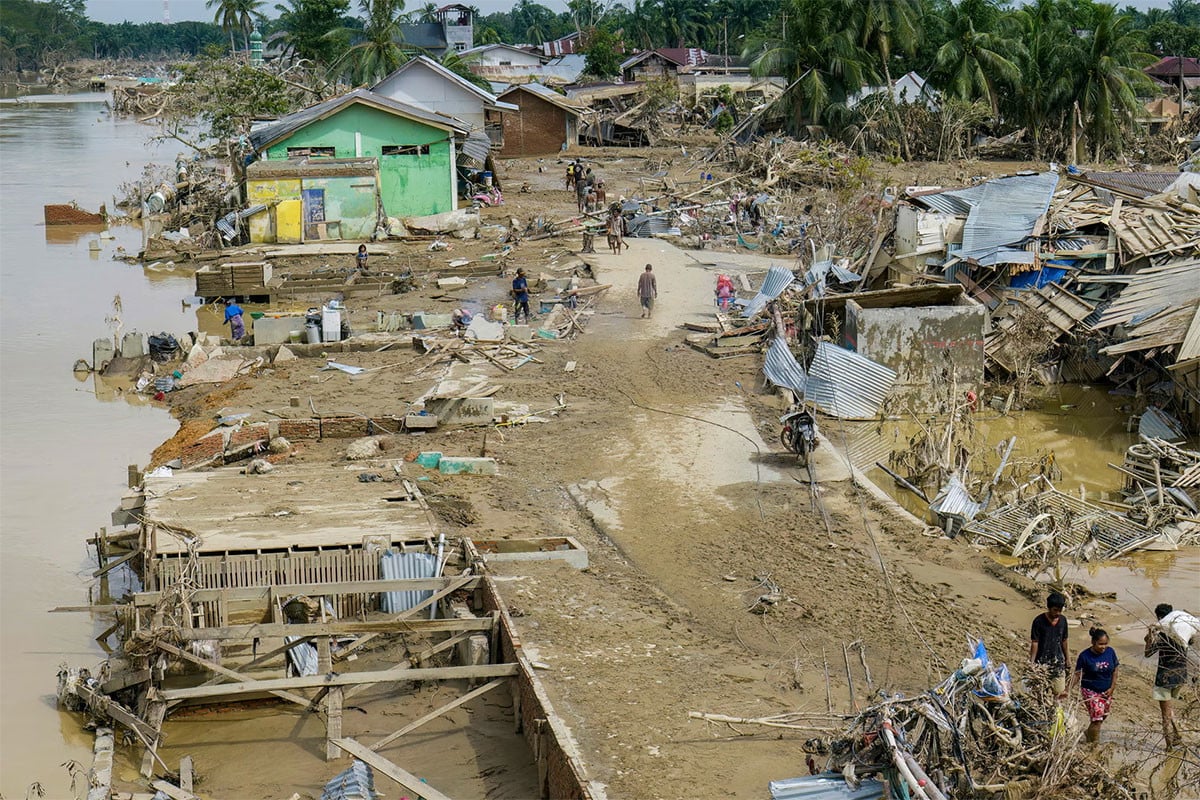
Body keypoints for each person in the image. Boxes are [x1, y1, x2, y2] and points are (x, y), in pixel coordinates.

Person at [1145, 603, 1190, 748]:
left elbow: (1148, 653)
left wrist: (1149, 637)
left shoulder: (1163, 636)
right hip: (1181, 676)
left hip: (1165, 677)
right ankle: (1177, 735)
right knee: (1169, 709)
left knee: (1165, 713)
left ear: (1159, 617)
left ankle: (1169, 745)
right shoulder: (1183, 634)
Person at [1074, 627, 1119, 744]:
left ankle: (1089, 733)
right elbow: (1078, 674)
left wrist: (1112, 687)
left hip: (1106, 690)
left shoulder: (1110, 652)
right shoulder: (1085, 656)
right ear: (1093, 642)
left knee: (1104, 715)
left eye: (1105, 644)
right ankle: (1094, 745)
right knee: (1097, 719)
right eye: (1100, 644)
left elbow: (1115, 669)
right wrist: (1067, 689)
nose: (1103, 647)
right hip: (1090, 690)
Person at [1030, 592, 1070, 699]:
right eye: (1055, 610)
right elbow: (1035, 642)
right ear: (1049, 608)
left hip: (1058, 662)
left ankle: (1055, 711)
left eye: (1060, 610)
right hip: (1042, 663)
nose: (1057, 613)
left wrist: (1067, 659)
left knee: (1059, 693)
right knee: (1039, 693)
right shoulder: (1038, 621)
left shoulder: (1063, 621)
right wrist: (1032, 663)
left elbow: (1064, 640)